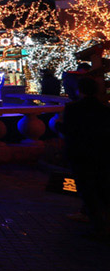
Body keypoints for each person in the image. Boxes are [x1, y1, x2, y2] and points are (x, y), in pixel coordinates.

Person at [59, 76, 110, 237]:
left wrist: (58, 126)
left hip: (80, 154)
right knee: (102, 188)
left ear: (79, 90)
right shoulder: (105, 109)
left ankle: (98, 226)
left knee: (86, 189)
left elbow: (68, 130)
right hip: (101, 153)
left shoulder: (73, 108)